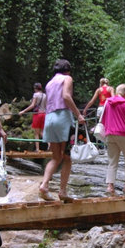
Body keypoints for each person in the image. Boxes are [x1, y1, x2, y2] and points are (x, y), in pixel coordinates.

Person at [39, 59, 85, 201]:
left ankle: (44, 185)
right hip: (63, 117)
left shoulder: (49, 83)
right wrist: (78, 114)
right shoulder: (67, 78)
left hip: (49, 119)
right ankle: (63, 191)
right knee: (67, 157)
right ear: (68, 70)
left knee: (55, 157)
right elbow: (66, 96)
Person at [100, 84, 125, 196]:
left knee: (112, 161)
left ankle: (110, 186)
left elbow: (103, 119)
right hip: (123, 134)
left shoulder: (107, 102)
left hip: (110, 134)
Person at [18, 82, 47, 151]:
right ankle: (50, 145)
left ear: (35, 88)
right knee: (42, 132)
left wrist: (23, 111)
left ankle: (37, 149)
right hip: (44, 114)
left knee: (36, 133)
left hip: (37, 114)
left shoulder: (35, 95)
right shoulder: (45, 95)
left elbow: (32, 105)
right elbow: (46, 106)